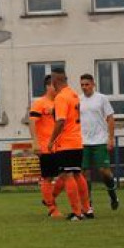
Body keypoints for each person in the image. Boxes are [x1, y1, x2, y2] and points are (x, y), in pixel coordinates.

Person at [48, 68, 90, 221]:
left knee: (67, 175)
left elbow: (60, 121)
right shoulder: (73, 94)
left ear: (54, 81)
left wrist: (51, 140)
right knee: (77, 174)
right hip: (77, 140)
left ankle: (77, 213)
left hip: (66, 142)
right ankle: (87, 209)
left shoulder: (61, 97)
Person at [78, 73, 119, 212]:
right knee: (84, 174)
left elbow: (110, 118)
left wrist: (111, 138)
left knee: (104, 172)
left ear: (93, 84)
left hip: (100, 141)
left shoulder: (101, 99)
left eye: (87, 84)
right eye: (82, 85)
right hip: (83, 142)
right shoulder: (78, 100)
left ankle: (113, 195)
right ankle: (88, 205)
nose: (84, 87)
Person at [30, 75, 63, 218]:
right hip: (45, 146)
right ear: (48, 86)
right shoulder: (39, 103)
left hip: (61, 145)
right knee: (48, 177)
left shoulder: (59, 102)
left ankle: (49, 197)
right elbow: (32, 123)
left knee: (67, 174)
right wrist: (35, 142)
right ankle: (52, 208)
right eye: (56, 85)